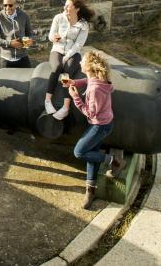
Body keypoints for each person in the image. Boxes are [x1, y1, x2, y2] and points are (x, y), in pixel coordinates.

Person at [64, 50, 121, 210]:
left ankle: (113, 161)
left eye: (82, 60)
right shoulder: (98, 79)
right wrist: (74, 82)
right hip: (102, 123)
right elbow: (87, 81)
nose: (80, 62)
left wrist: (75, 96)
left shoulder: (95, 89)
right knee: (92, 156)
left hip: (99, 126)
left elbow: (90, 113)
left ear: (89, 66)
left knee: (80, 152)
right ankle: (90, 191)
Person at [46, 0, 94, 119]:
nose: (65, 7)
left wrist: (67, 57)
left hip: (73, 53)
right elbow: (51, 35)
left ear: (76, 9)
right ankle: (47, 100)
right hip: (57, 49)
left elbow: (78, 44)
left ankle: (65, 107)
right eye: (65, 5)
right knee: (56, 67)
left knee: (68, 71)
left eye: (68, 6)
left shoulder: (83, 25)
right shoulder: (58, 18)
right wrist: (53, 38)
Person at [0, 0, 34, 68]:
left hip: (22, 57)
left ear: (15, 5)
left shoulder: (24, 15)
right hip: (6, 58)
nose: (7, 7)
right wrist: (9, 43)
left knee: (28, 78)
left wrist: (28, 41)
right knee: (5, 80)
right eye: (5, 5)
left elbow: (30, 34)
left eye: (10, 5)